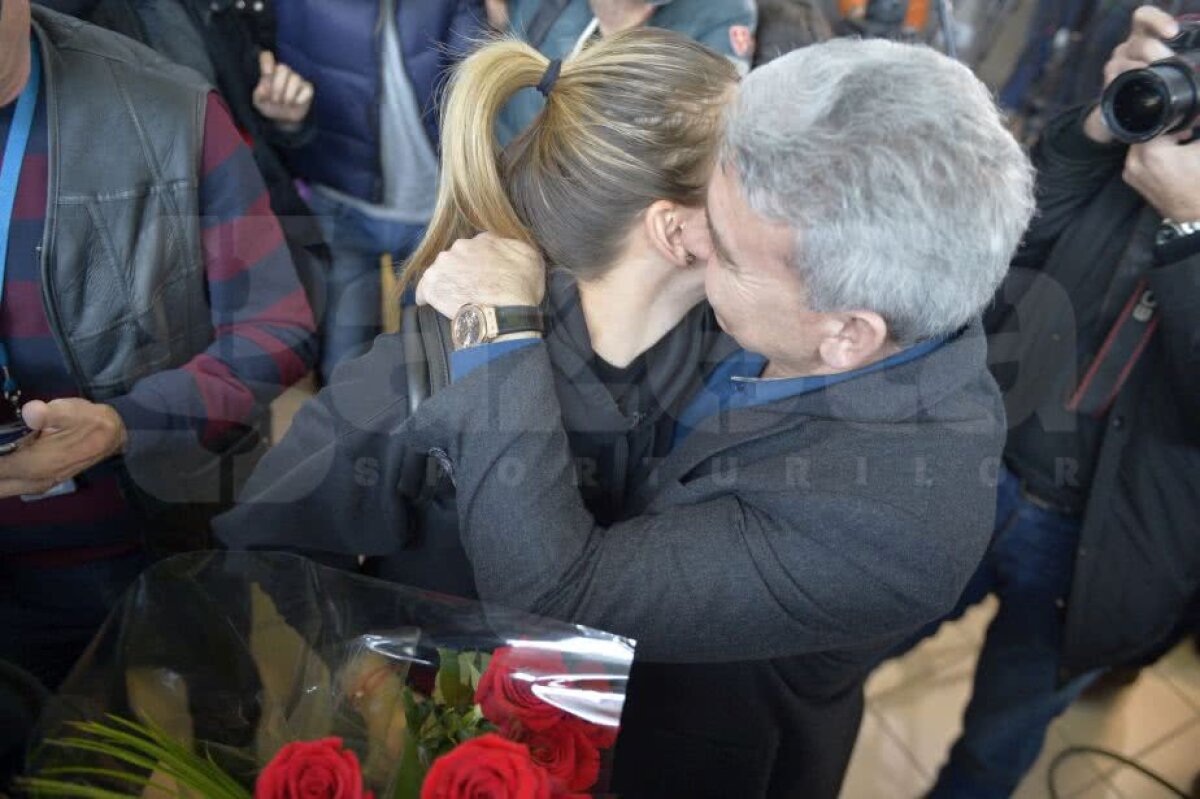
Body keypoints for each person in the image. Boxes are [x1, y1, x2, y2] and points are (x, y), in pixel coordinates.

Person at [399, 37, 1034, 797]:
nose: (692, 238)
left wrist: (495, 329)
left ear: (845, 332)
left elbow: (556, 596)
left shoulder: (896, 523)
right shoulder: (829, 289)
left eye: (725, 251)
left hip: (689, 754)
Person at [894, 6, 1200, 796]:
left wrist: (1190, 225)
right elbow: (1014, 239)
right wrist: (1106, 118)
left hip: (1100, 544)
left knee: (998, 741)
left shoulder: (1179, 190)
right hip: (983, 463)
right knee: (844, 645)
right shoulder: (1156, 139)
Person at [0, 0, 316, 701]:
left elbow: (277, 328)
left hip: (137, 557)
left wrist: (124, 423)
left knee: (214, 733)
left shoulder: (172, 112)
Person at [271, 0, 484, 383]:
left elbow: (475, 80)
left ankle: (415, 440)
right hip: (341, 200)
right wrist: (287, 124)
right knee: (345, 359)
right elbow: (277, 85)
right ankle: (351, 439)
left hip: (435, 210)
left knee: (427, 360)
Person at [495, 0, 756, 143]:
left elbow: (692, 137)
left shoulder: (726, 12)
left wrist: (617, 28)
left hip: (573, 193)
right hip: (491, 146)